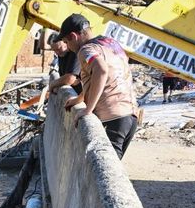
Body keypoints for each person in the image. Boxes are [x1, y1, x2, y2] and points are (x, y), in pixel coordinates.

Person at [57, 13, 139, 159]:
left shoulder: (86, 50)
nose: (68, 47)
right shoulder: (109, 43)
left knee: (102, 166)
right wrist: (81, 98)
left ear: (74, 36)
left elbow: (101, 71)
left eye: (66, 41)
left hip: (112, 119)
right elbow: (106, 76)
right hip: (131, 117)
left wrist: (88, 110)